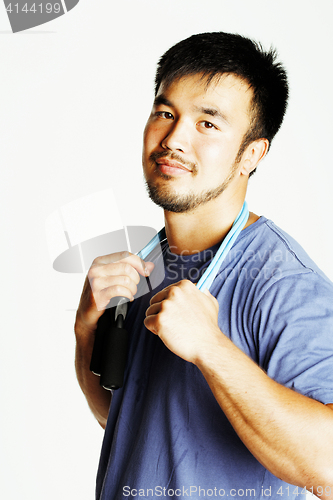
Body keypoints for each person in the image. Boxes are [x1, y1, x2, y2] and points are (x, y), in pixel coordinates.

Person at [74, 32, 333, 499]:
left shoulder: (283, 282)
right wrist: (86, 334)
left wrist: (212, 349)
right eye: (165, 113)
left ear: (252, 154)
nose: (174, 139)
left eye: (208, 125)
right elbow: (121, 418)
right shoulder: (144, 267)